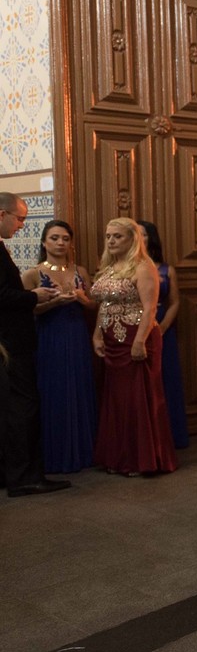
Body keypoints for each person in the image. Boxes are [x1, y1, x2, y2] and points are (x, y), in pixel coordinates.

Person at [91, 217, 178, 477]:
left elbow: (150, 307)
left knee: (138, 398)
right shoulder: (108, 267)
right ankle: (119, 458)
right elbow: (104, 304)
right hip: (112, 339)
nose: (111, 241)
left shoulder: (143, 266)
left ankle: (143, 459)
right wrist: (97, 334)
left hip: (137, 337)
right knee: (116, 399)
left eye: (117, 236)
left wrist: (139, 340)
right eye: (108, 236)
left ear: (132, 239)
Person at [0, 193, 71, 497]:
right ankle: (24, 477)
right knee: (22, 410)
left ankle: (13, 473)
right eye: (19, 219)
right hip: (11, 343)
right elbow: (2, 295)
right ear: (2, 214)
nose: (21, 225)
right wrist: (35, 297)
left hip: (13, 341)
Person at [21, 220, 98, 473]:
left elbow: (93, 306)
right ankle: (55, 456)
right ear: (44, 242)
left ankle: (84, 451)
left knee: (79, 388)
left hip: (77, 336)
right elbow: (24, 311)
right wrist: (54, 302)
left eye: (65, 238)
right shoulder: (33, 273)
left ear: (71, 243)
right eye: (54, 238)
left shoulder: (81, 271)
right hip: (49, 338)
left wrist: (80, 298)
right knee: (54, 392)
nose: (60, 243)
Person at [138, 220, 188, 449]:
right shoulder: (126, 269)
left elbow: (175, 302)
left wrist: (163, 326)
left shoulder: (167, 270)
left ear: (151, 238)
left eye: (144, 234)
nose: (140, 238)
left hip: (161, 329)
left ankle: (169, 438)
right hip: (133, 330)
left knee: (165, 381)